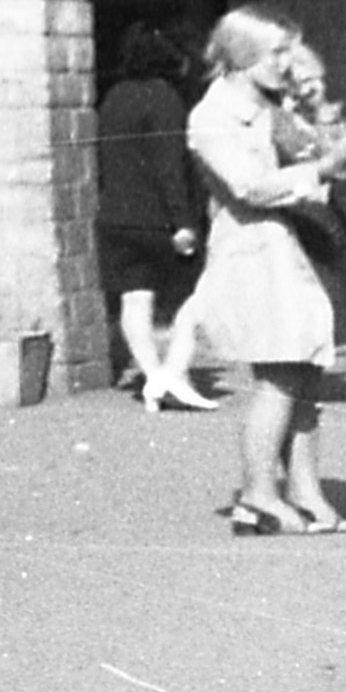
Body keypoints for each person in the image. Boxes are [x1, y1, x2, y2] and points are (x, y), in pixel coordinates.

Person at [182, 6, 346, 534]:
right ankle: (258, 491)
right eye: (277, 53)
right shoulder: (213, 115)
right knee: (280, 374)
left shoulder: (273, 105)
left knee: (305, 373)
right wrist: (320, 169)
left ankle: (305, 491)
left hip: (302, 248)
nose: (289, 63)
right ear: (241, 56)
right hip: (259, 253)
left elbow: (314, 163)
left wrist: (330, 145)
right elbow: (249, 185)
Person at [95, 24, 210, 410]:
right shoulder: (164, 99)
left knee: (134, 299)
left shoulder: (113, 98)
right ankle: (174, 371)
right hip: (157, 218)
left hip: (116, 216)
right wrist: (183, 222)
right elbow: (169, 166)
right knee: (191, 300)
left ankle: (152, 375)